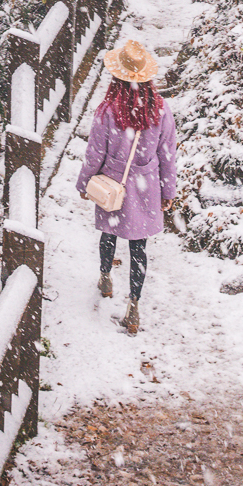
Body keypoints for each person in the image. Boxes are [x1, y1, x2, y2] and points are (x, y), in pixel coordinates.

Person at [75, 37, 177, 335]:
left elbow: (95, 153)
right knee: (139, 247)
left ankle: (105, 277)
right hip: (147, 188)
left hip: (113, 184)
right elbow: (167, 155)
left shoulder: (108, 111)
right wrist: (168, 192)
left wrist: (84, 183)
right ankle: (134, 305)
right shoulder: (160, 110)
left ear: (116, 77)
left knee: (109, 234)